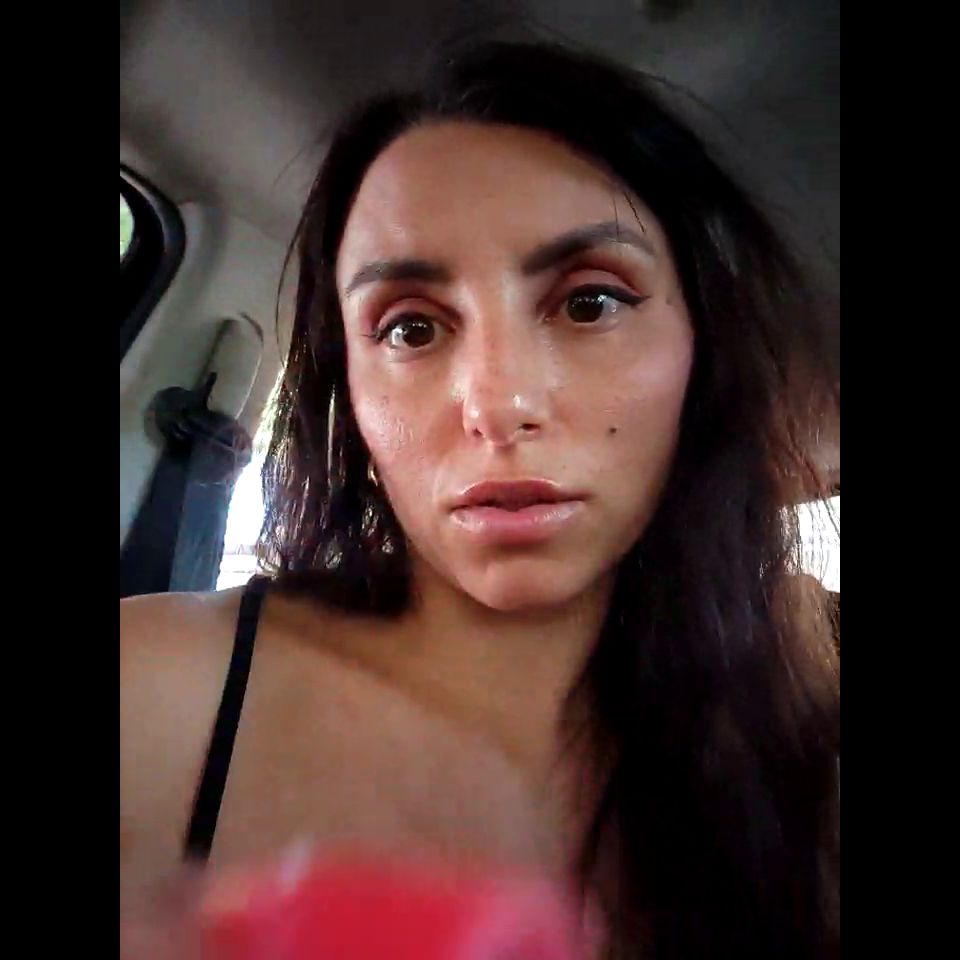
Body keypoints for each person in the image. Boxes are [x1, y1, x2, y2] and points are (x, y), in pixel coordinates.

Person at [121, 39, 840, 960]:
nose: (497, 404)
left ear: (701, 354)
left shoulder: (805, 755)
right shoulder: (147, 696)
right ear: (351, 392)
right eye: (411, 328)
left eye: (589, 304)